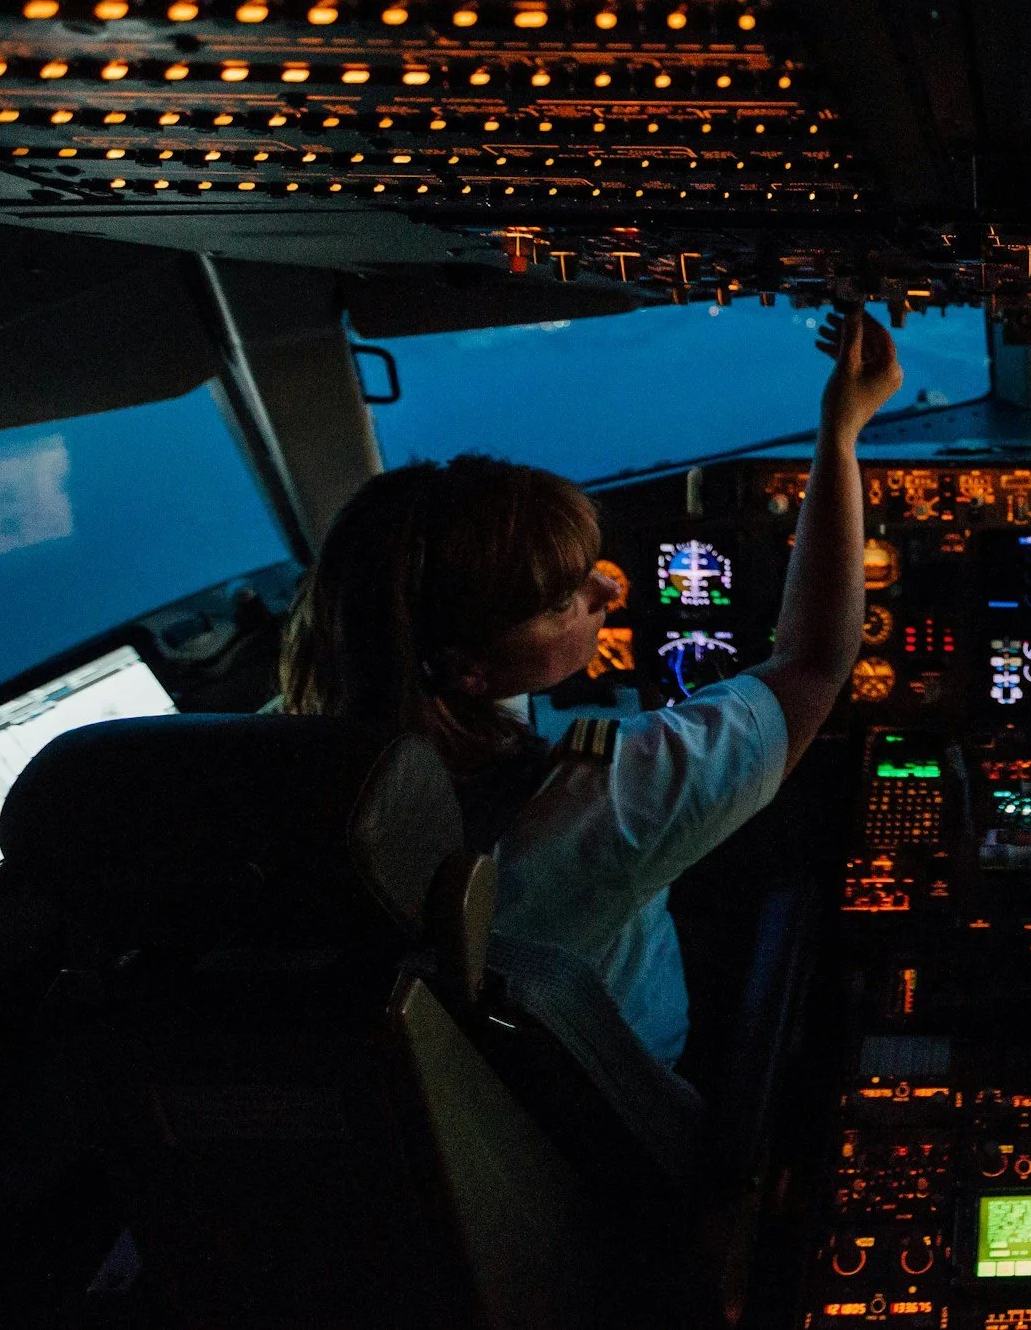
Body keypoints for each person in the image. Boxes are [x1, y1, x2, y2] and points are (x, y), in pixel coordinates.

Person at [280, 308, 903, 1082]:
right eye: (561, 599)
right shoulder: (602, 805)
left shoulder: (290, 782)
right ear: (467, 668)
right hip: (633, 1109)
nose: (608, 585)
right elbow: (814, 662)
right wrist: (839, 432)